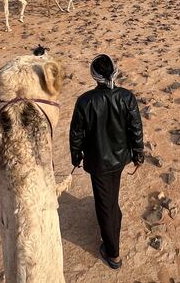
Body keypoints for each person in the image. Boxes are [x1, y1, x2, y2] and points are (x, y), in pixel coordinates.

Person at [69, 54, 144, 271]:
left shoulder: (85, 101)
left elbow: (76, 134)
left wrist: (76, 156)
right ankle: (114, 218)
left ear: (94, 76)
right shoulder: (126, 97)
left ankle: (113, 254)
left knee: (104, 204)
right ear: (115, 72)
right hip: (120, 158)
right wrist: (138, 154)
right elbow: (135, 129)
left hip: (98, 161)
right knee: (110, 195)